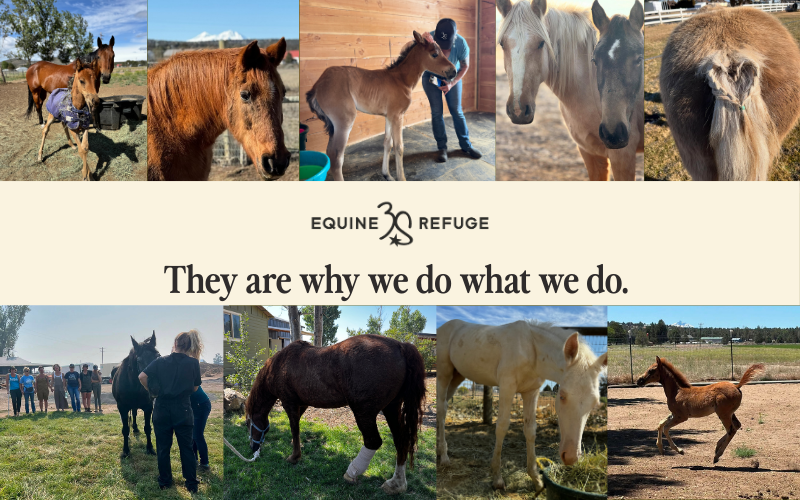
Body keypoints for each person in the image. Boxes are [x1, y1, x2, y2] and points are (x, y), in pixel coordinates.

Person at [139, 330, 202, 492]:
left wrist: (153, 392)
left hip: (162, 409)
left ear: (174, 344)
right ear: (188, 347)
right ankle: (191, 483)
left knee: (163, 447)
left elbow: (142, 376)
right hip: (183, 409)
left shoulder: (160, 361)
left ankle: (165, 481)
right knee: (186, 447)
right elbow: (195, 388)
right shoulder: (194, 363)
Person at [421, 18, 482, 163]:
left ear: (454, 37)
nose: (444, 49)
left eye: (446, 46)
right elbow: (408, 50)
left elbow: (465, 66)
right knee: (437, 112)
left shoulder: (461, 44)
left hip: (451, 77)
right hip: (431, 77)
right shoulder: (428, 39)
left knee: (457, 111)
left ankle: (466, 146)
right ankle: (442, 147)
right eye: (440, 45)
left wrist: (452, 83)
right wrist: (419, 41)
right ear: (435, 35)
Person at [186, 334, 211, 471]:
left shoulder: (191, 363)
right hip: (194, 405)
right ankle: (194, 460)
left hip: (201, 405)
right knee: (192, 435)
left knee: (197, 435)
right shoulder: (187, 363)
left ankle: (205, 463)